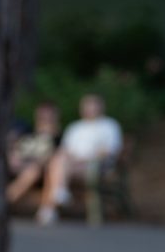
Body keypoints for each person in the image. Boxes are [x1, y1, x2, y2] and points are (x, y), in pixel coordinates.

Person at [36, 93, 123, 225]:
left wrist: (84, 159)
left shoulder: (109, 125)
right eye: (87, 106)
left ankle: (50, 207)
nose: (90, 109)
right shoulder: (75, 127)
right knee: (57, 162)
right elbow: (65, 149)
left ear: (101, 107)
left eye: (93, 106)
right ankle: (59, 193)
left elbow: (110, 150)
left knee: (54, 168)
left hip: (94, 165)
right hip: (71, 164)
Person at [5, 101, 60, 206]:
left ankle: (6, 199)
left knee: (33, 171)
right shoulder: (27, 132)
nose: (45, 119)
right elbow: (17, 151)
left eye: (49, 116)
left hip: (39, 170)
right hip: (19, 164)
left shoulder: (59, 137)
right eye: (43, 116)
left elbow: (53, 158)